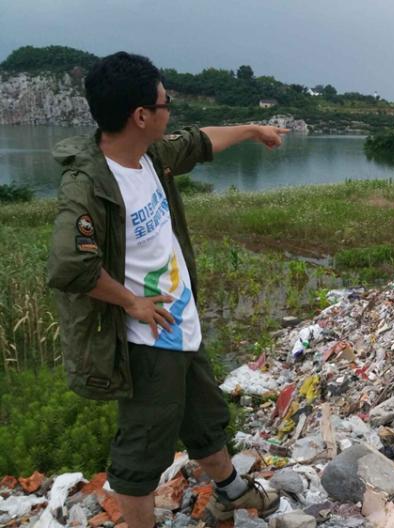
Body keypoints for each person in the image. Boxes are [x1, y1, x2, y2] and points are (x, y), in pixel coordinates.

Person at [46, 51, 290, 528]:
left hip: (180, 323)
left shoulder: (149, 156)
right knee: (142, 450)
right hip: (147, 342)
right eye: (165, 102)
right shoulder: (89, 184)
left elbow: (199, 143)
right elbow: (70, 264)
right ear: (141, 115)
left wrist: (252, 129)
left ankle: (231, 492)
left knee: (204, 414)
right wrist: (131, 301)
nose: (169, 110)